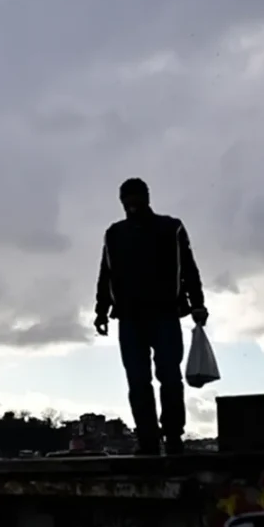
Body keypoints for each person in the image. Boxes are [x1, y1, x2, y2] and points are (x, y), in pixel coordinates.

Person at [93, 178, 208, 455]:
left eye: (135, 199)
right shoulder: (115, 234)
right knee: (142, 379)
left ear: (146, 198)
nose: (131, 205)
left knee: (165, 377)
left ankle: (170, 436)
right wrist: (101, 310)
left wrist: (197, 304)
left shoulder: (171, 228)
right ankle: (151, 438)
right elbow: (105, 273)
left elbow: (188, 268)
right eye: (127, 200)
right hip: (133, 317)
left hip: (163, 314)